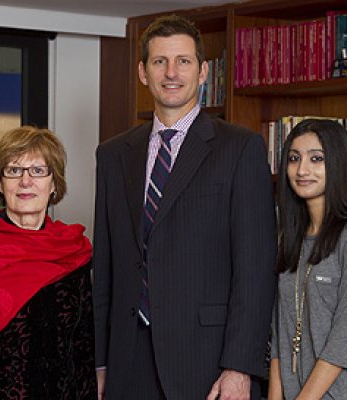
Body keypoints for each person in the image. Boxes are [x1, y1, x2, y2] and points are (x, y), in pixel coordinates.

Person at [92, 14, 277, 400]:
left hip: (207, 361)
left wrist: (239, 367)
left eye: (184, 61)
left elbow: (256, 270)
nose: (171, 72)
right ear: (143, 72)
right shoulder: (113, 156)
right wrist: (101, 362)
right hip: (128, 359)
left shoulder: (240, 149)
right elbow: (106, 267)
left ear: (204, 71)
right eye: (160, 61)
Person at [0, 126, 97, 399]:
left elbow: (82, 349)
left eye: (39, 171)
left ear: (54, 184)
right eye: (14, 171)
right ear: (0, 184)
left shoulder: (73, 252)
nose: (26, 182)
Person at [269, 119, 347, 400]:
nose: (302, 170)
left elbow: (343, 337)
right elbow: (280, 331)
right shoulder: (289, 238)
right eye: (293, 158)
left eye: (317, 159)